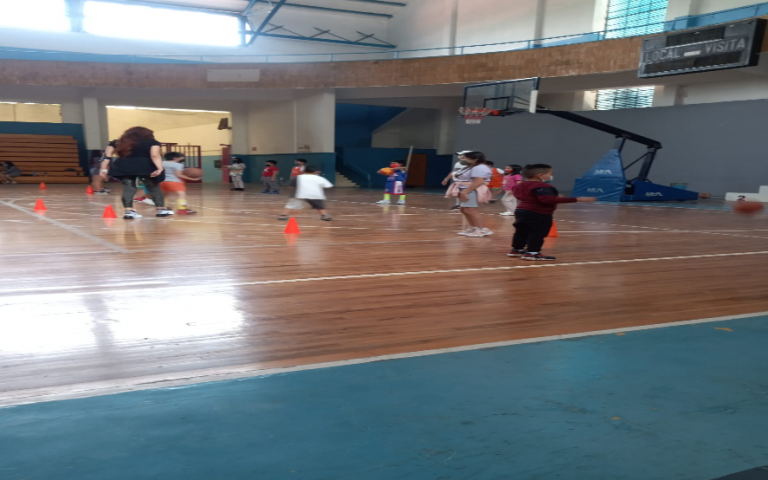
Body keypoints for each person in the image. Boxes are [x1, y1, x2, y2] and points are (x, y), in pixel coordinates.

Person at [510, 163, 596, 261]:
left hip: (521, 211)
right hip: (538, 213)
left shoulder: (518, 186)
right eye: (550, 173)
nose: (550, 176)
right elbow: (547, 200)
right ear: (541, 175)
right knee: (537, 233)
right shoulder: (542, 186)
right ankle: (532, 252)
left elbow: (525, 196)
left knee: (521, 231)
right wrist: (578, 199)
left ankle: (516, 250)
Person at [100, 126, 173, 219]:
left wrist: (103, 169)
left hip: (124, 166)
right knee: (153, 187)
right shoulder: (152, 142)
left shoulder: (117, 142)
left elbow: (106, 156)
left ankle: (129, 211)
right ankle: (161, 209)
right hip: (146, 166)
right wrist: (159, 168)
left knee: (128, 187)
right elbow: (154, 155)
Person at [445, 151, 493, 238]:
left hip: (471, 190)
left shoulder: (479, 167)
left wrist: (466, 191)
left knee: (471, 210)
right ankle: (474, 227)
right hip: (465, 188)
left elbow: (479, 181)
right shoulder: (470, 167)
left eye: (466, 158)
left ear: (475, 159)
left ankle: (482, 229)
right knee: (464, 209)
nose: (464, 160)